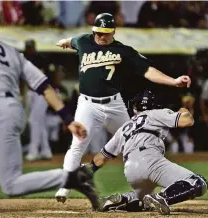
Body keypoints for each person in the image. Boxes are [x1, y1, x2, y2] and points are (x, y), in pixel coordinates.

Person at [0, 5, 99, 218]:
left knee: (11, 184)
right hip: (8, 110)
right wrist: (68, 118)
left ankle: (73, 177)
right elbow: (44, 86)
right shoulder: (12, 51)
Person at [55, 12, 191, 202]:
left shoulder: (123, 50)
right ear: (94, 30)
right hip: (87, 104)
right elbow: (72, 41)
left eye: (106, 33)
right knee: (77, 145)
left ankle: (143, 189)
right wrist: (64, 41)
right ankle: (65, 186)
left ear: (113, 32)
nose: (102, 37)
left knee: (133, 142)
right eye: (99, 33)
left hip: (114, 104)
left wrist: (174, 81)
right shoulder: (83, 41)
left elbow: (148, 71)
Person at [89, 90, 208, 215]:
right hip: (151, 160)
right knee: (198, 182)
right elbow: (187, 121)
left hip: (130, 171)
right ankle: (162, 197)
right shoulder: (157, 113)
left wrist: (86, 172)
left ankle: (126, 199)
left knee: (143, 199)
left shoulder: (125, 127)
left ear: (135, 106)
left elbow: (100, 158)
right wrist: (184, 108)